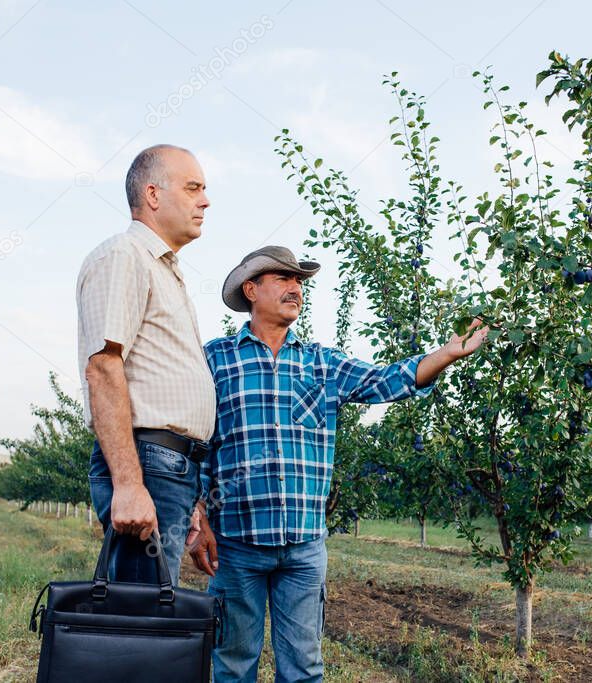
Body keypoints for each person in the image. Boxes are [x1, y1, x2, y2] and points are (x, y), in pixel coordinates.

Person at [186, 245, 487, 682]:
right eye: (284, 279)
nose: (296, 289)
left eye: (300, 282)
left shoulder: (322, 363)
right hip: (236, 543)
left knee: (305, 669)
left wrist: (444, 354)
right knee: (232, 665)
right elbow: (196, 441)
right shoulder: (215, 359)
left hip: (304, 548)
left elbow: (385, 381)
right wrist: (199, 514)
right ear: (250, 290)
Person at [77, 144, 215, 586]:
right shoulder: (125, 256)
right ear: (152, 195)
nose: (205, 200)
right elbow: (103, 365)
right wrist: (130, 485)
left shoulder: (165, 269)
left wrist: (190, 496)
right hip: (148, 462)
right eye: (193, 187)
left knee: (147, 615)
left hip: (170, 467)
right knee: (137, 618)